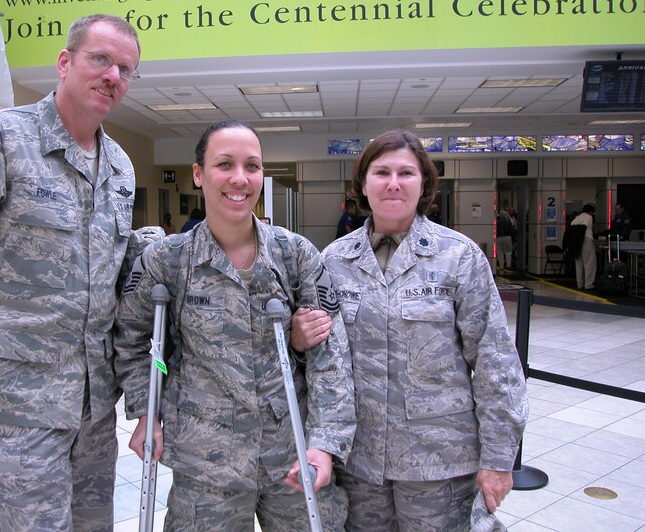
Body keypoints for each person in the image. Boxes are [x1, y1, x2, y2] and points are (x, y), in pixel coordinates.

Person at [0, 14, 161, 531]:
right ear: (65, 62)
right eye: (101, 59)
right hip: (17, 399)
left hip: (93, 408)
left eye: (126, 69)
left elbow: (109, 279)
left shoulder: (119, 166)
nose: (113, 75)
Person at [115, 120, 356, 531]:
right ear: (198, 174)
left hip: (290, 453)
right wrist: (145, 412)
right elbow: (135, 341)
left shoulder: (295, 255)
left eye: (253, 166)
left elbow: (330, 359)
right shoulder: (166, 260)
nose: (240, 179)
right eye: (224, 164)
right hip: (205, 460)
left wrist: (325, 444)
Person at [292, 130, 528, 531]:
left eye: (406, 173)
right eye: (381, 172)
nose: (393, 183)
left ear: (424, 185)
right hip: (360, 462)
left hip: (439, 464)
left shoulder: (458, 256)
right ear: (363, 185)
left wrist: (499, 460)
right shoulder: (333, 261)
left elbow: (496, 364)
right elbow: (322, 362)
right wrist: (299, 341)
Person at [570, 203, 597, 290]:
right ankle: (589, 284)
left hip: (576, 243)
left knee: (579, 264)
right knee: (589, 263)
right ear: (590, 211)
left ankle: (579, 284)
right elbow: (585, 226)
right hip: (586, 241)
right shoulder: (589, 217)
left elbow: (571, 226)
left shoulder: (577, 218)